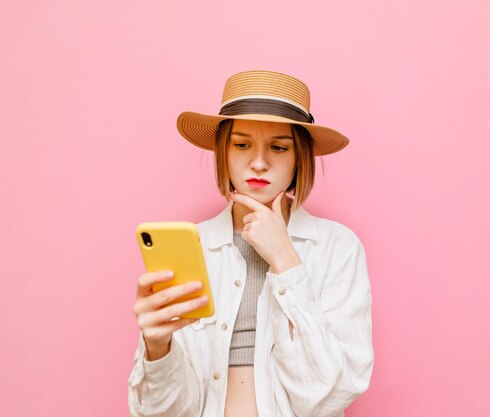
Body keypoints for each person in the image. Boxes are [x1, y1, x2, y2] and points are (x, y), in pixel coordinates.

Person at [128, 70, 374, 417]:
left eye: (278, 147)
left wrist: (286, 261)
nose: (259, 162)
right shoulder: (191, 248)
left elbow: (330, 395)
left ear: (299, 157)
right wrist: (157, 347)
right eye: (242, 144)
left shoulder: (337, 248)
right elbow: (161, 412)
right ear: (223, 153)